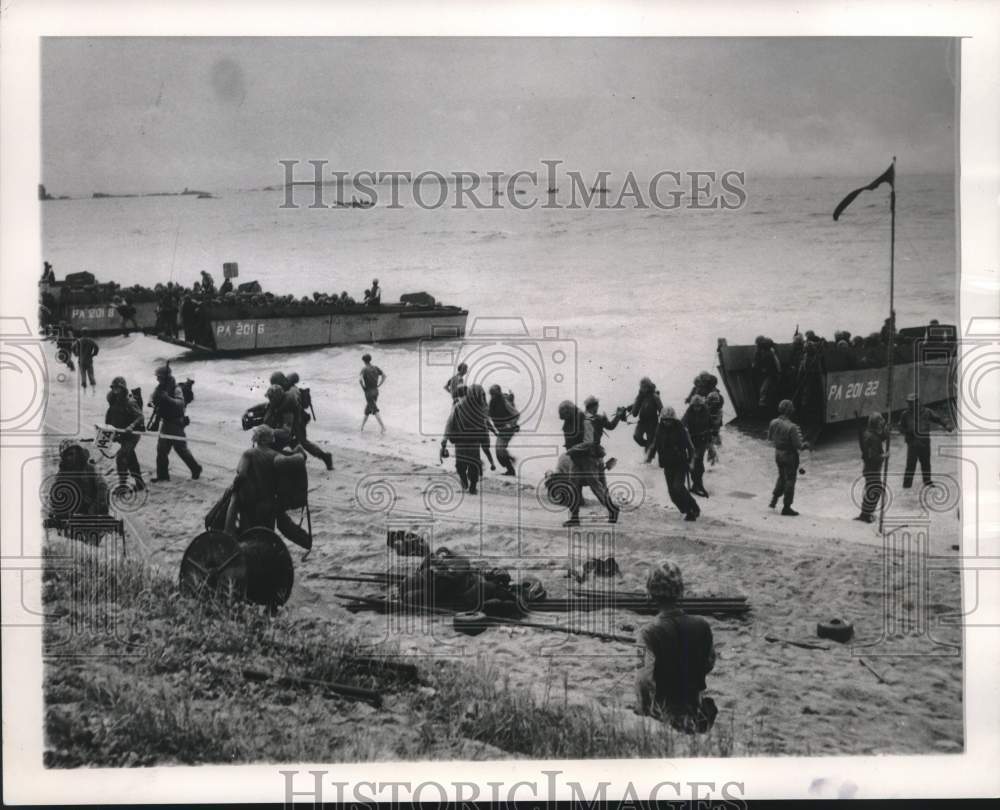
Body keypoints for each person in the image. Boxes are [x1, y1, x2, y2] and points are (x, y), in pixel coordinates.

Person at [635, 561, 717, 733]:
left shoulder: (648, 633)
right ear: (680, 591)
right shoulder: (703, 626)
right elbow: (709, 663)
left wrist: (645, 712)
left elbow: (643, 680)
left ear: (650, 592)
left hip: (665, 715)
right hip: (695, 710)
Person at [224, 425, 311, 549]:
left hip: (250, 504)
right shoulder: (275, 455)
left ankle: (229, 534)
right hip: (269, 504)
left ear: (257, 439)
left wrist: (235, 488)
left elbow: (242, 474)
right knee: (267, 536)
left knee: (248, 534)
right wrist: (298, 454)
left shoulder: (249, 453)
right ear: (269, 439)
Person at [646, 408, 700, 521]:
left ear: (674, 419)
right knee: (672, 493)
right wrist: (650, 455)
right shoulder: (659, 429)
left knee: (678, 487)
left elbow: (691, 448)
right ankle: (686, 510)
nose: (667, 422)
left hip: (680, 464)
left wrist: (692, 462)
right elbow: (655, 443)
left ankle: (693, 509)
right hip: (667, 464)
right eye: (665, 420)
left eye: (669, 420)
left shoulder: (681, 430)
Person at [151, 364, 202, 482]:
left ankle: (196, 468)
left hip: (176, 423)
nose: (157, 379)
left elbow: (180, 403)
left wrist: (167, 398)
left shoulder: (176, 389)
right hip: (166, 422)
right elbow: (154, 398)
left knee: (181, 449)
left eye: (159, 377)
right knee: (161, 450)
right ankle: (162, 476)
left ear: (165, 377)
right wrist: (153, 401)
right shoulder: (159, 388)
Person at [274, 371, 333, 470]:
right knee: (293, 441)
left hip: (298, 420)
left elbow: (293, 406)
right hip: (297, 419)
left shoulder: (292, 391)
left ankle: (325, 456)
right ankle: (298, 460)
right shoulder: (291, 389)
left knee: (303, 442)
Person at [440, 384, 489, 494]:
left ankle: (469, 484)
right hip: (469, 440)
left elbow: (449, 423)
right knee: (472, 464)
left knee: (463, 464)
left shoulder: (463, 406)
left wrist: (445, 438)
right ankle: (470, 485)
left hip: (465, 440)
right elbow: (484, 425)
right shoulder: (466, 406)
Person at [898, 392, 951, 489]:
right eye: (909, 403)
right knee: (910, 466)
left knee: (926, 463)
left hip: (925, 443)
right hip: (912, 444)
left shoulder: (927, 412)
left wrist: (946, 425)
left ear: (918, 402)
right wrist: (907, 431)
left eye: (912, 403)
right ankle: (906, 486)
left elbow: (938, 419)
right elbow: (900, 428)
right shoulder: (905, 414)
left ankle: (927, 482)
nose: (910, 405)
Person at [104, 376, 145, 492]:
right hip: (121, 435)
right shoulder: (113, 400)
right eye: (114, 388)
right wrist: (107, 429)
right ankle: (140, 483)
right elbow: (110, 415)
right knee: (130, 458)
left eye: (118, 388)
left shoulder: (130, 402)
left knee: (121, 457)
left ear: (123, 389)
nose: (116, 390)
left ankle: (122, 485)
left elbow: (140, 416)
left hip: (132, 435)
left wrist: (131, 426)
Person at [767, 399, 807, 516]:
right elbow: (798, 445)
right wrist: (806, 445)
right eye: (792, 408)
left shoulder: (773, 422)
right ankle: (786, 507)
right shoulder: (792, 427)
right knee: (790, 479)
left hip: (778, 453)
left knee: (781, 477)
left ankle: (773, 501)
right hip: (789, 456)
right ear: (790, 411)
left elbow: (770, 439)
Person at [855, 412, 888, 523]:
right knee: (874, 490)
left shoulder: (869, 433)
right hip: (872, 468)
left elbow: (881, 437)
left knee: (871, 489)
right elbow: (873, 456)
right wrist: (884, 456)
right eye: (880, 422)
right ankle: (866, 514)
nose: (882, 423)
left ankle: (865, 513)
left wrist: (886, 431)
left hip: (870, 468)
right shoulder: (872, 437)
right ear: (876, 423)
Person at [681, 395, 712, 498]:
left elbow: (710, 425)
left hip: (703, 440)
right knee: (694, 462)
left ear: (702, 405)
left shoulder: (706, 412)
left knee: (699, 462)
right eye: (695, 406)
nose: (697, 408)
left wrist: (710, 440)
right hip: (691, 441)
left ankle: (698, 484)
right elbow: (682, 423)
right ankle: (697, 484)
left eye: (699, 406)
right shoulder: (689, 412)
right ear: (692, 405)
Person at [488, 384, 520, 476]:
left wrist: (510, 424)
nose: (492, 396)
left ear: (498, 393)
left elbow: (516, 414)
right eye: (491, 394)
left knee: (500, 449)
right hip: (502, 430)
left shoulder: (504, 401)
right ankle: (510, 467)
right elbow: (488, 414)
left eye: (494, 394)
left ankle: (511, 468)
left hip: (508, 429)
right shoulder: (493, 402)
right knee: (499, 451)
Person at [630, 377, 663, 451]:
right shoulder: (640, 396)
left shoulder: (654, 396)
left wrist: (663, 420)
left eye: (645, 387)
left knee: (650, 439)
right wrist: (636, 404)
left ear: (649, 387)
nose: (643, 389)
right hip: (642, 421)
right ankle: (650, 446)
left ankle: (649, 452)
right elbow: (635, 412)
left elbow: (661, 409)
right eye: (642, 387)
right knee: (637, 436)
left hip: (652, 422)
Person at [752, 336, 781, 414]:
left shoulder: (767, 353)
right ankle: (768, 409)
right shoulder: (771, 351)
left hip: (769, 374)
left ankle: (764, 409)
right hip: (771, 374)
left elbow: (764, 364)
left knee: (764, 391)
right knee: (768, 392)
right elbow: (776, 364)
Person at [359, 353, 386, 432]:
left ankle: (383, 427)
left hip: (368, 392)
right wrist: (379, 384)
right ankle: (362, 427)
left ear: (364, 361)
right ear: (370, 360)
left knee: (374, 410)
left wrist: (363, 388)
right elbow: (384, 376)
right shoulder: (376, 368)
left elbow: (360, 380)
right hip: (376, 391)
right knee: (368, 409)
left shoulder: (364, 369)